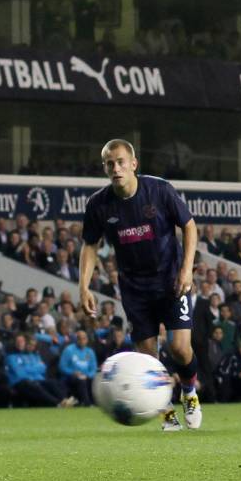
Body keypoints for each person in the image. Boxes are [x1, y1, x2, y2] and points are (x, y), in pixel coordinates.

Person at [79, 139, 202, 431]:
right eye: (110, 164)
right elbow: (89, 245)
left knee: (180, 349)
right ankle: (165, 411)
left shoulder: (159, 190)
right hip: (135, 289)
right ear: (105, 168)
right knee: (148, 357)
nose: (116, 168)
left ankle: (189, 393)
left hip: (170, 281)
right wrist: (84, 286)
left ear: (134, 164)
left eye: (121, 162)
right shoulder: (99, 204)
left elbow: (189, 225)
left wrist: (187, 270)